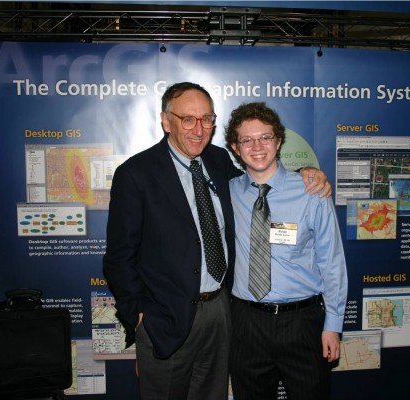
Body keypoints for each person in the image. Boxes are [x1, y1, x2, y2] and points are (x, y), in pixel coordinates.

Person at [103, 82, 331, 400]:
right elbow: (119, 256)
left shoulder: (217, 159)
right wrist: (140, 316)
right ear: (165, 120)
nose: (199, 129)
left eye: (207, 119)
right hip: (166, 316)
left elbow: (261, 173)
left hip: (222, 313)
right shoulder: (136, 174)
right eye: (188, 119)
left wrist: (305, 173)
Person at [224, 102, 348, 400]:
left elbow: (332, 262)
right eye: (247, 140)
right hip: (246, 323)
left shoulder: (311, 191)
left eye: (265, 137)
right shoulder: (226, 192)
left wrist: (333, 325)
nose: (257, 146)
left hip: (302, 323)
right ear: (235, 147)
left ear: (278, 141)